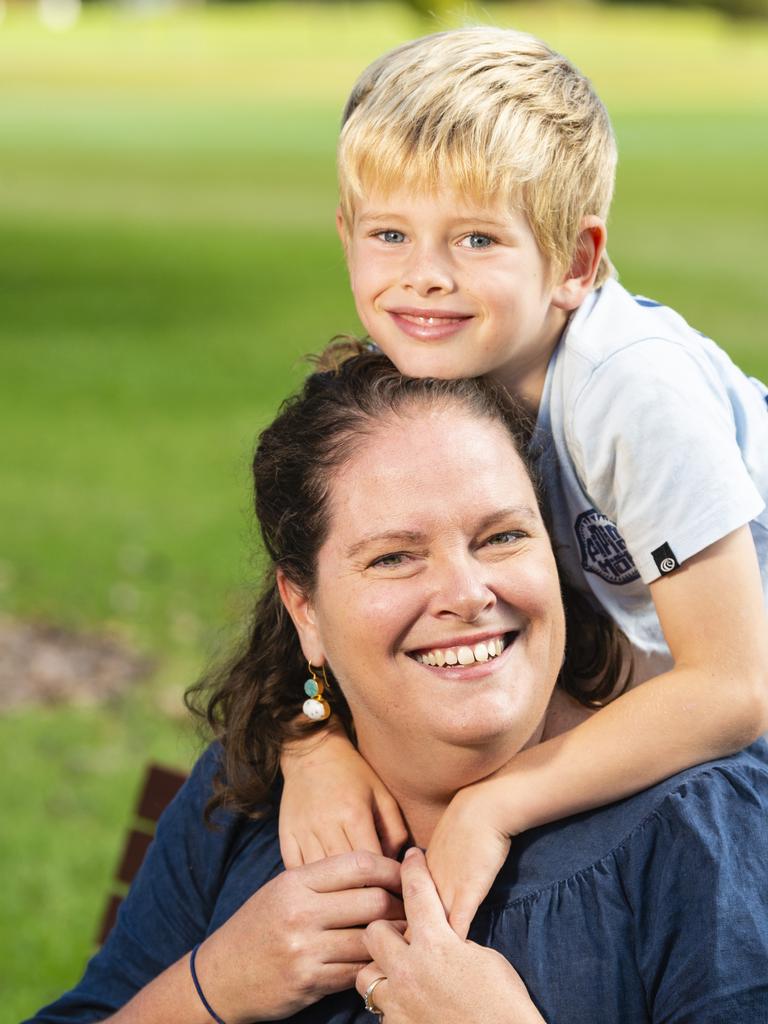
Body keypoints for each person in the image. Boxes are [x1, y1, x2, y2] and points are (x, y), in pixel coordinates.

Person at [27, 351, 768, 1023]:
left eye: (502, 536)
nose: (466, 592)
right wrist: (214, 985)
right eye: (394, 558)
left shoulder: (699, 831)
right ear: (304, 610)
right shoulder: (252, 798)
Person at [278, 25, 768, 936]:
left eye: (475, 238)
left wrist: (491, 806)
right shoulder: (453, 366)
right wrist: (312, 745)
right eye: (390, 233)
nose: (424, 277)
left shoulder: (632, 390)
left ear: (576, 263)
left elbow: (735, 689)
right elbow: (326, 587)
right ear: (346, 235)